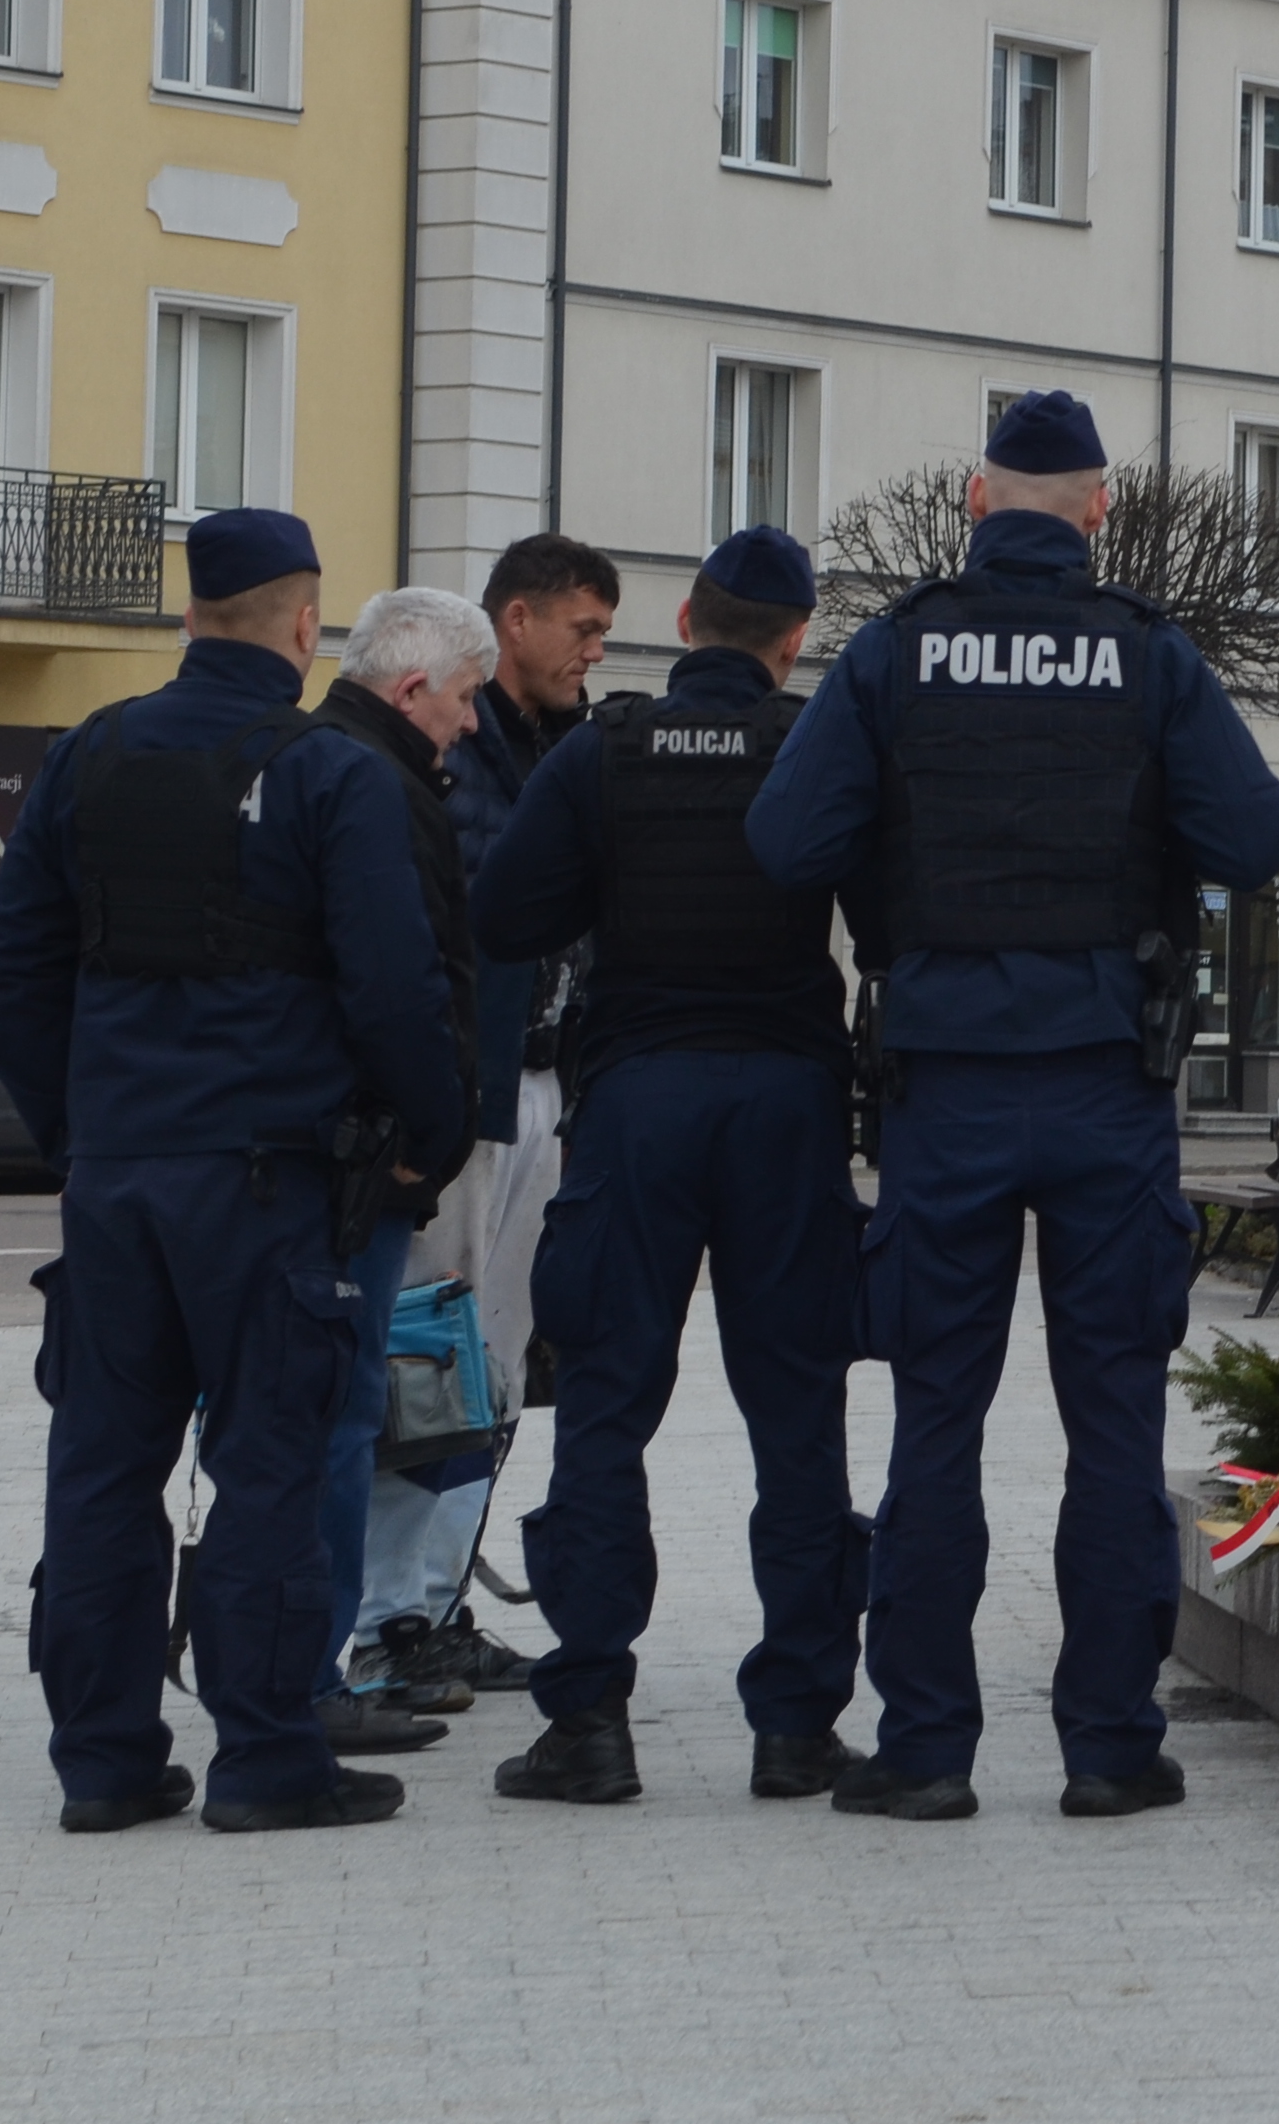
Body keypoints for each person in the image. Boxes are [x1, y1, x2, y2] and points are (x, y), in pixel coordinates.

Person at [746, 391, 1279, 1823]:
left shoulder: (896, 652)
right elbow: (1250, 837)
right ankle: (1109, 1747)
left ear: (974, 505)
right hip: (1110, 1085)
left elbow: (788, 842)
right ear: (1101, 510)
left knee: (938, 1422)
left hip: (946, 1095)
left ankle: (926, 1750)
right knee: (1112, 1425)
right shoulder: (1149, 656)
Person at [0, 510, 467, 1835]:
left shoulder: (90, 754)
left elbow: (11, 965)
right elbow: (394, 986)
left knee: (101, 1468)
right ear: (307, 625)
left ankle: (103, 1763)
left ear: (191, 616)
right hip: (265, 1182)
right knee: (269, 1465)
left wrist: (76, 1127)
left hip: (118, 1177)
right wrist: (429, 1132)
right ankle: (266, 1759)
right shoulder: (328, 774)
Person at [468, 527, 868, 1808]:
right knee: (796, 1415)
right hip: (786, 1109)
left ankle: (589, 1722)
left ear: (686, 622)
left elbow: (503, 913)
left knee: (604, 1406)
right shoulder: (815, 745)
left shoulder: (604, 749)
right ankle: (796, 1728)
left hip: (638, 1105)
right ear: (793, 642)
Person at [365, 529, 617, 1698]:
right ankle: (387, 1621)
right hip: (466, 1093)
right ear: (518, 619)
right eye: (583, 629)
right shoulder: (453, 749)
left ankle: (435, 1600)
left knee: (494, 1362)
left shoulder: (565, 742)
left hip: (539, 1086)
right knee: (428, 1353)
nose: (594, 652)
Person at [305, 586, 498, 1747]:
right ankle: (320, 1676)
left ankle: (292, 1672)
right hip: (357, 1161)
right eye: (465, 699)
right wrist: (432, 1139)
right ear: (415, 686)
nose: (470, 725)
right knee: (337, 1413)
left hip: (290, 1148)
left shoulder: (318, 761)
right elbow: (399, 984)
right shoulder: (374, 783)